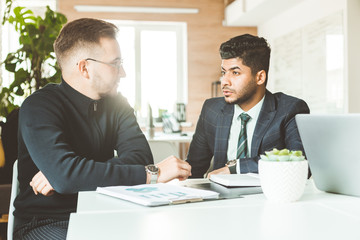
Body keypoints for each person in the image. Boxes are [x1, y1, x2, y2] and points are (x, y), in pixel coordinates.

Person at [13, 18, 191, 240]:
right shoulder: (39, 106)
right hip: (48, 221)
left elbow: (140, 157)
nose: (123, 72)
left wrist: (70, 174)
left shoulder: (118, 104)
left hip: (109, 210)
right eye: (115, 63)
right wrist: (153, 175)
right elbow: (67, 176)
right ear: (84, 67)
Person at [186, 34, 310, 178]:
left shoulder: (289, 109)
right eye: (223, 72)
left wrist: (235, 168)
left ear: (260, 77)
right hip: (221, 198)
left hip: (268, 197)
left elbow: (300, 163)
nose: (224, 81)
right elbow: (194, 169)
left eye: (235, 73)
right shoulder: (211, 110)